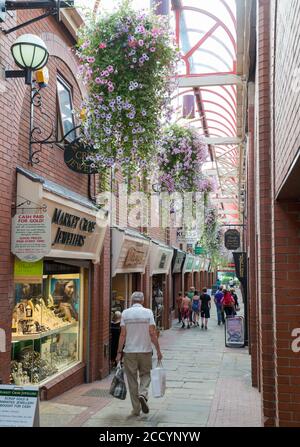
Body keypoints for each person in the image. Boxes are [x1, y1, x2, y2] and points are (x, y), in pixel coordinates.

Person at [116, 291, 162, 417]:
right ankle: (143, 393)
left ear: (131, 301)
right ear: (142, 301)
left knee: (132, 380)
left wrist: (119, 353)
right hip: (145, 351)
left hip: (129, 352)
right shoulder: (148, 312)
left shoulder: (125, 313)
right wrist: (158, 350)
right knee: (146, 375)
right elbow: (152, 333)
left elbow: (123, 334)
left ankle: (136, 409)